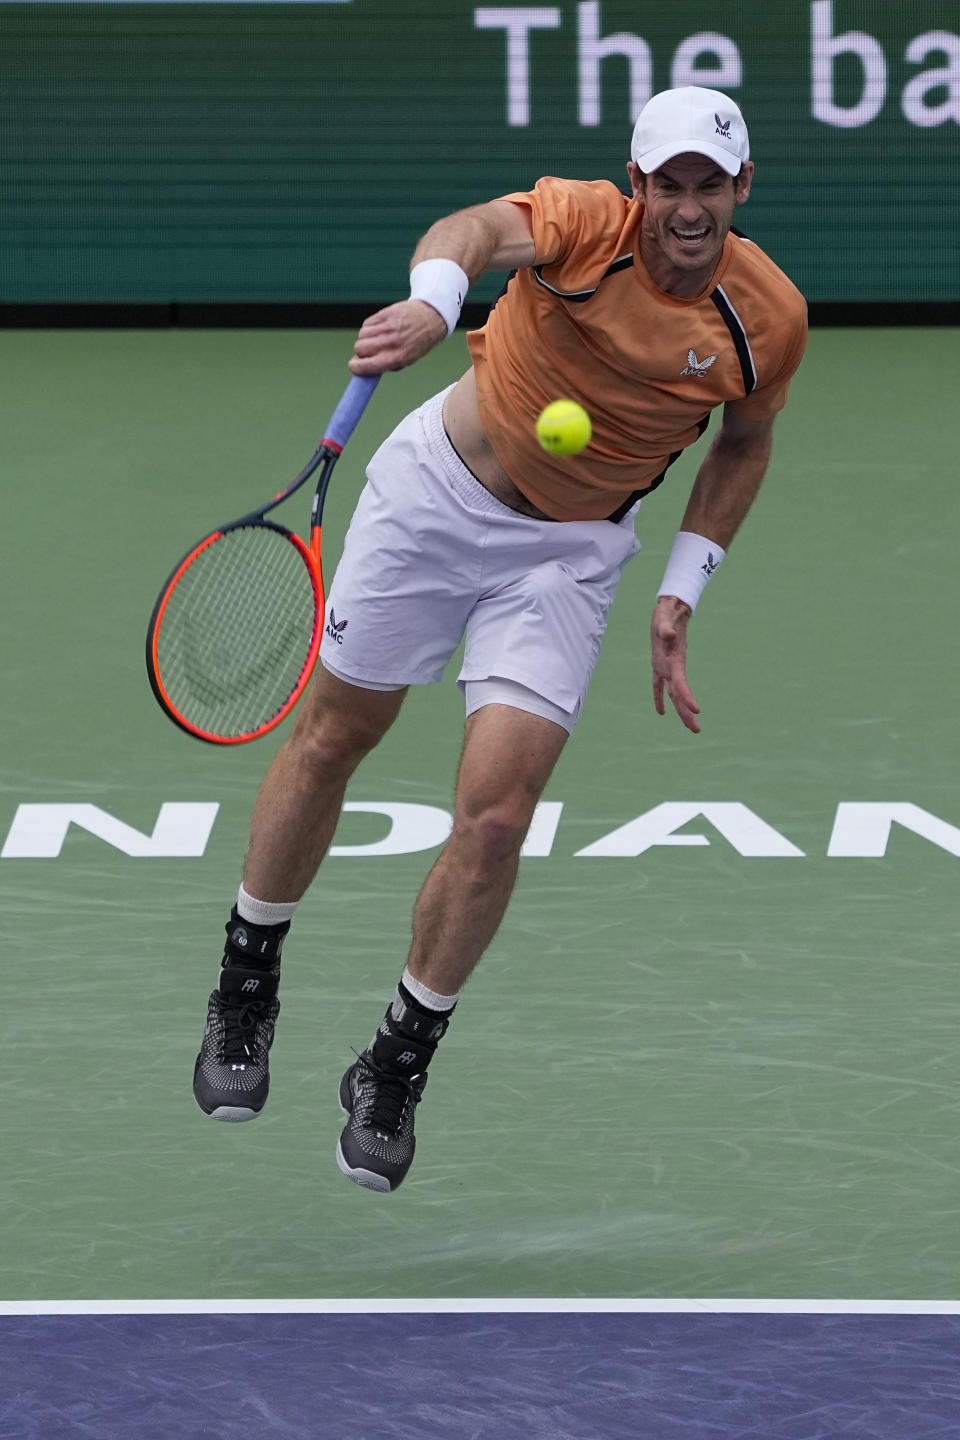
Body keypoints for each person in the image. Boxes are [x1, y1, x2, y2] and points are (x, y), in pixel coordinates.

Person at [192, 85, 807, 1192]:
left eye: (709, 186)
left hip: (567, 559)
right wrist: (437, 303)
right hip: (434, 500)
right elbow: (471, 235)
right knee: (334, 739)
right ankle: (247, 981)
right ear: (637, 188)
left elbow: (743, 444)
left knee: (496, 818)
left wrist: (681, 587)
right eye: (668, 184)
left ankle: (396, 1062)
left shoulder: (767, 321)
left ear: (741, 191)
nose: (687, 207)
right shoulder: (582, 226)